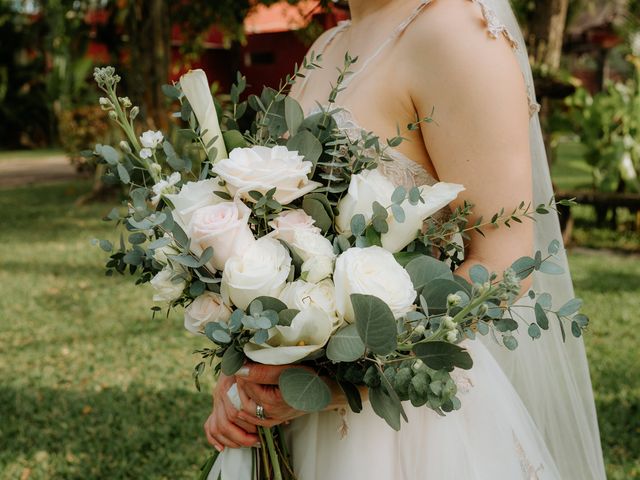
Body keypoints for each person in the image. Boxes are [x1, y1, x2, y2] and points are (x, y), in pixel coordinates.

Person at [204, 0, 606, 478]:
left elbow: (504, 254)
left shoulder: (459, 32)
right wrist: (244, 375)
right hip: (287, 419)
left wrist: (346, 383)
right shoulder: (330, 43)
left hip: (402, 426)